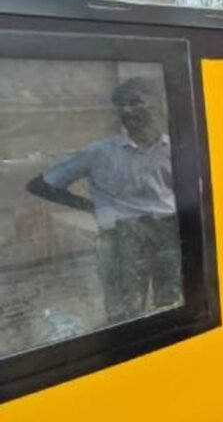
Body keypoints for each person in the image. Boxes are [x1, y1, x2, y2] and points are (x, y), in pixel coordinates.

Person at [27, 77, 181, 325]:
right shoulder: (99, 152)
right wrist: (90, 207)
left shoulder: (175, 149)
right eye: (121, 105)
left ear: (156, 105)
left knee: (171, 304)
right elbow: (40, 185)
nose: (126, 110)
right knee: (125, 312)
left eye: (135, 103)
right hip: (122, 236)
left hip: (168, 232)